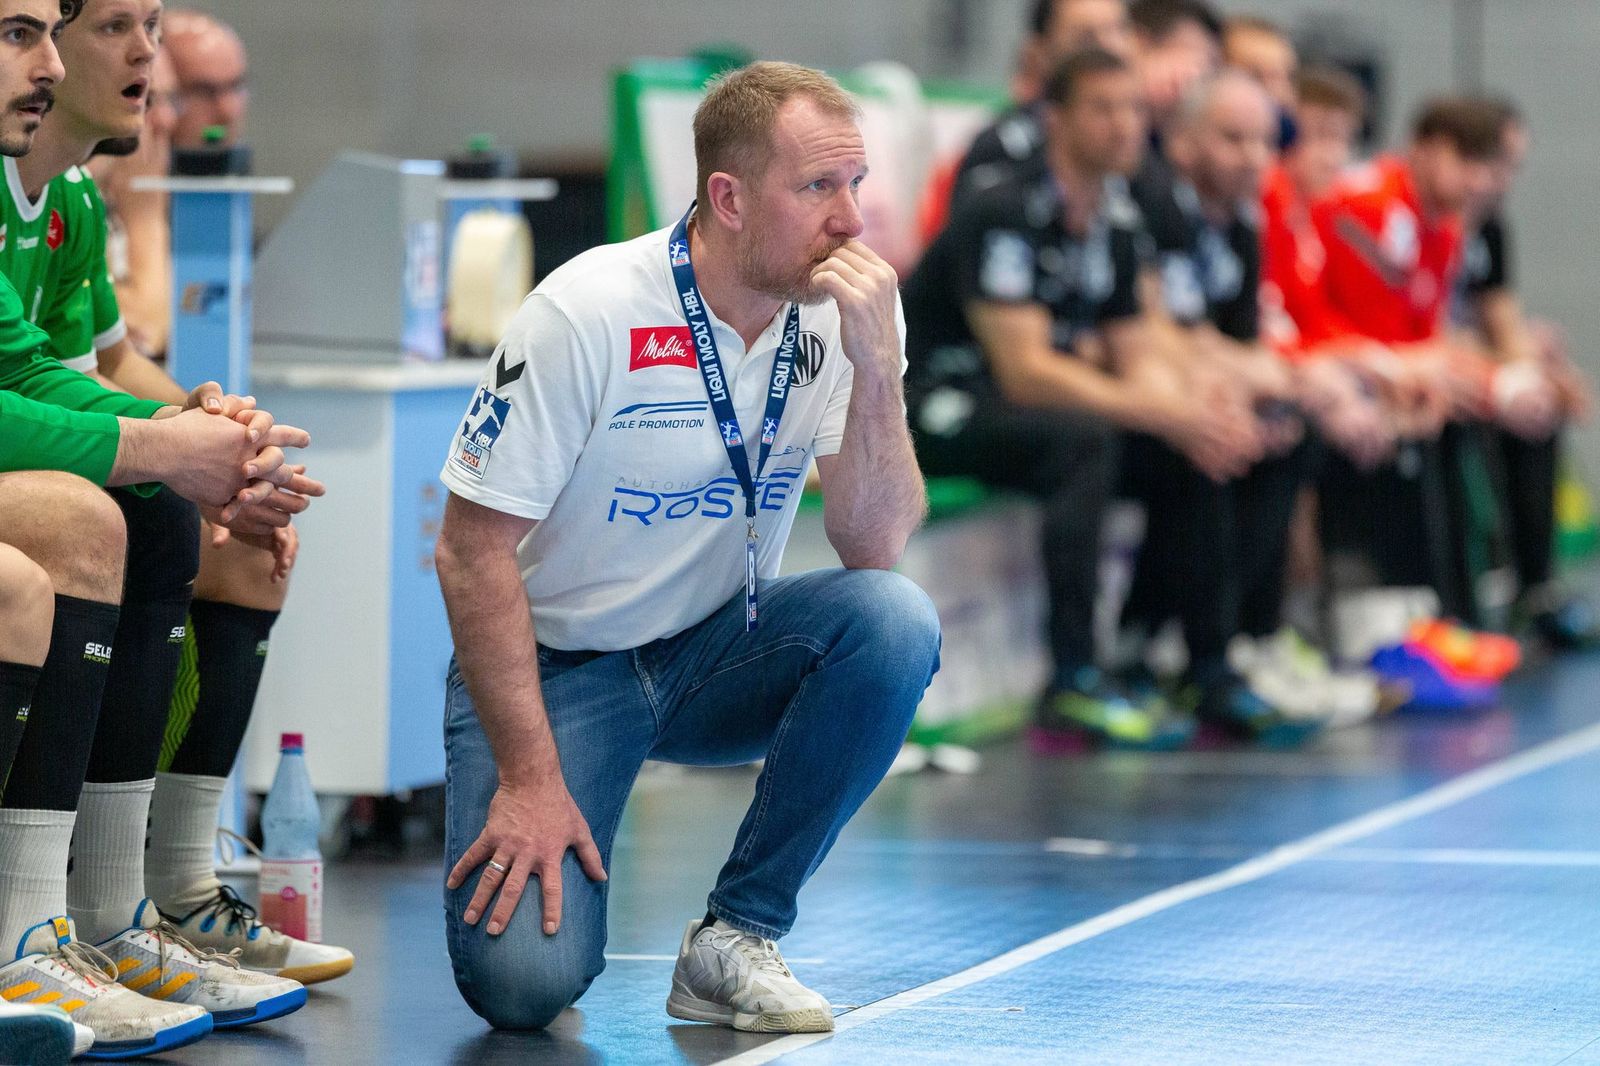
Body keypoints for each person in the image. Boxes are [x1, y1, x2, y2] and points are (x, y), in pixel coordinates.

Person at [435, 60, 940, 1034]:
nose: (851, 221)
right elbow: (468, 551)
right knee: (523, 987)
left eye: (856, 185)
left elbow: (872, 541)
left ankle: (737, 933)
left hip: (716, 648)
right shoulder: (588, 309)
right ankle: (550, 792)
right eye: (818, 188)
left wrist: (877, 368)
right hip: (560, 669)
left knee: (891, 618)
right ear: (729, 197)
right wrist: (531, 780)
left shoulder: (847, 316)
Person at [0, 0, 315, 1056]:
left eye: (47, 33)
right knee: (98, 517)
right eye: (21, 34)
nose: (148, 58)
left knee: (194, 516)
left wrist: (205, 434)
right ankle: (41, 922)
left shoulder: (69, 200)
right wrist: (169, 445)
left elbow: (53, 372)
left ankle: (147, 896)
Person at [905, 48, 1252, 748]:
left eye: (1134, 109)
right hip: (938, 398)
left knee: (1191, 446)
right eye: (1103, 108)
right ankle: (1072, 680)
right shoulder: (1004, 206)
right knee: (1085, 438)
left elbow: (1138, 353)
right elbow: (1025, 372)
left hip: (1021, 404)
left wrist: (1192, 415)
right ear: (1055, 118)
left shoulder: (1115, 221)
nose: (1125, 126)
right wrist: (1166, 409)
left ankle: (1196, 663)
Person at [1121, 69, 1322, 741]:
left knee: (1290, 428)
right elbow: (1155, 331)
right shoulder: (1151, 204)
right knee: (1210, 440)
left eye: (1264, 142)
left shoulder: (1242, 225)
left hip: (1186, 378)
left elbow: (1233, 341)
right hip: (1130, 384)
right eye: (1233, 138)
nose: (1253, 157)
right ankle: (1192, 655)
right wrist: (1245, 383)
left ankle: (1243, 639)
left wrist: (1267, 386)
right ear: (1182, 143)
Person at [1309, 97, 1506, 617]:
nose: (1481, 183)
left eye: (1490, 167)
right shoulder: (1372, 206)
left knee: (1478, 406)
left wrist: (1487, 379)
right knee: (1415, 413)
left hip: (1375, 366)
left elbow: (1427, 334)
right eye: (1467, 163)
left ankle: (1462, 607)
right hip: (1332, 364)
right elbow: (1373, 332)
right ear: (1427, 150)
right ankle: (1393, 611)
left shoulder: (1446, 224)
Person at [1449, 100, 1595, 645]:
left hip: (1470, 366)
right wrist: (1500, 374)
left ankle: (1534, 587)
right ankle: (1450, 600)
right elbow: (1418, 327)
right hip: (1432, 371)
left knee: (1540, 403)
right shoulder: (1414, 219)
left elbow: (1501, 318)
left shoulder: (1488, 227)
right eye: (1496, 162)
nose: (1503, 179)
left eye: (1512, 166)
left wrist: (1534, 370)